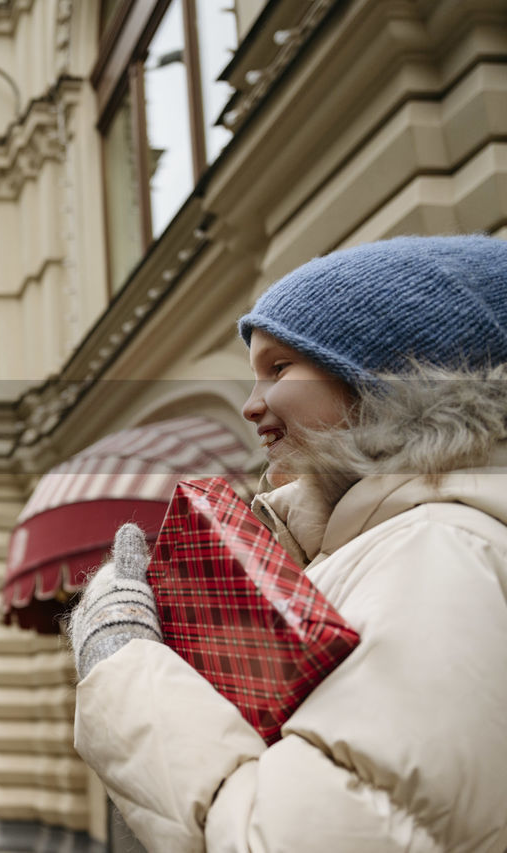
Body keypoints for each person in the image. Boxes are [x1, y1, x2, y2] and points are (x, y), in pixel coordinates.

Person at [68, 235, 507, 851]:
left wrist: (122, 667)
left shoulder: (441, 546)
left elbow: (304, 836)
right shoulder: (388, 537)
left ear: (391, 376)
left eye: (279, 368)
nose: (251, 407)